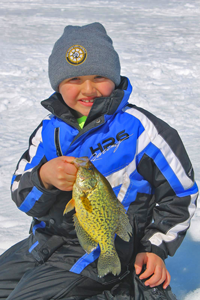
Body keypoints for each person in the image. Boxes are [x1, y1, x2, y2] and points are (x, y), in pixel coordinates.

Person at [0, 22, 198, 300]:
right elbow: (22, 197)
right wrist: (43, 177)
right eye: (74, 80)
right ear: (58, 83)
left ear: (115, 78)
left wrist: (154, 248)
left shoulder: (140, 130)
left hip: (104, 249)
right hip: (43, 243)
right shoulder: (48, 131)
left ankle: (124, 288)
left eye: (99, 77)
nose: (88, 89)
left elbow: (181, 194)